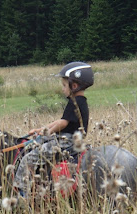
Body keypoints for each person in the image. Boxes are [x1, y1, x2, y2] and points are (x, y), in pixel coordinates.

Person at [13, 61, 94, 197]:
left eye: (64, 85)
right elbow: (59, 121)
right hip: (72, 140)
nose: (62, 89)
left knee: (28, 159)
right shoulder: (81, 101)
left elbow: (62, 123)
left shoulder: (74, 102)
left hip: (66, 141)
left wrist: (46, 133)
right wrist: (41, 129)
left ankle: (22, 193)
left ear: (74, 86)